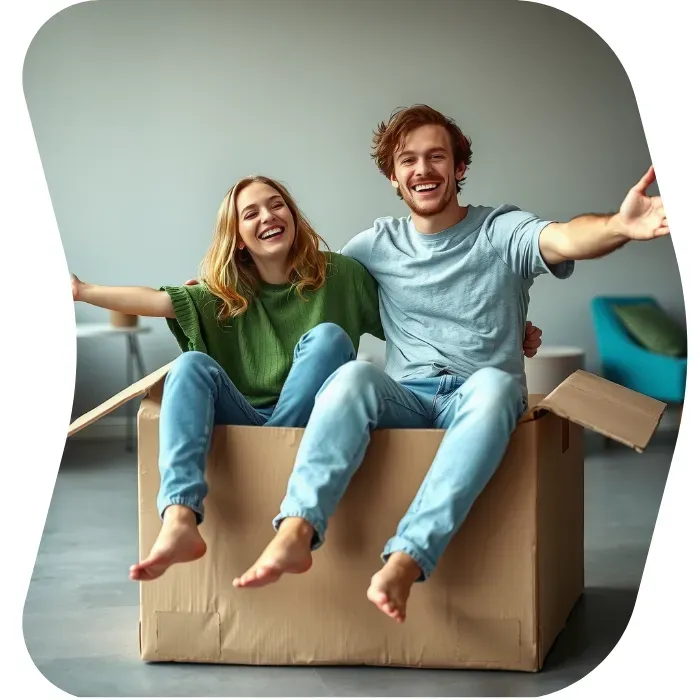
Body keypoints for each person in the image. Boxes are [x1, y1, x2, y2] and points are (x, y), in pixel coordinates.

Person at [234, 105, 669, 625]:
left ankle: (407, 557)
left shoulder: (501, 230)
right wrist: (217, 289)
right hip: (407, 398)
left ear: (459, 167)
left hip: (480, 398)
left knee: (493, 386)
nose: (423, 169)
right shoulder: (374, 246)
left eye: (436, 156)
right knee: (351, 374)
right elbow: (296, 288)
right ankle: (296, 530)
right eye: (408, 160)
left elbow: (564, 236)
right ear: (393, 177)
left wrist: (619, 226)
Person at [70, 175, 387, 582]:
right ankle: (181, 518)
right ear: (238, 238)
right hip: (244, 422)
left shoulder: (342, 275)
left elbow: (404, 324)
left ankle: (276, 445)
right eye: (250, 213)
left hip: (318, 424)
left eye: (276, 205)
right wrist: (81, 290)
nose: (268, 216)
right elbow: (154, 300)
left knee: (328, 338)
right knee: (188, 365)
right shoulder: (224, 294)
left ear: (292, 215)